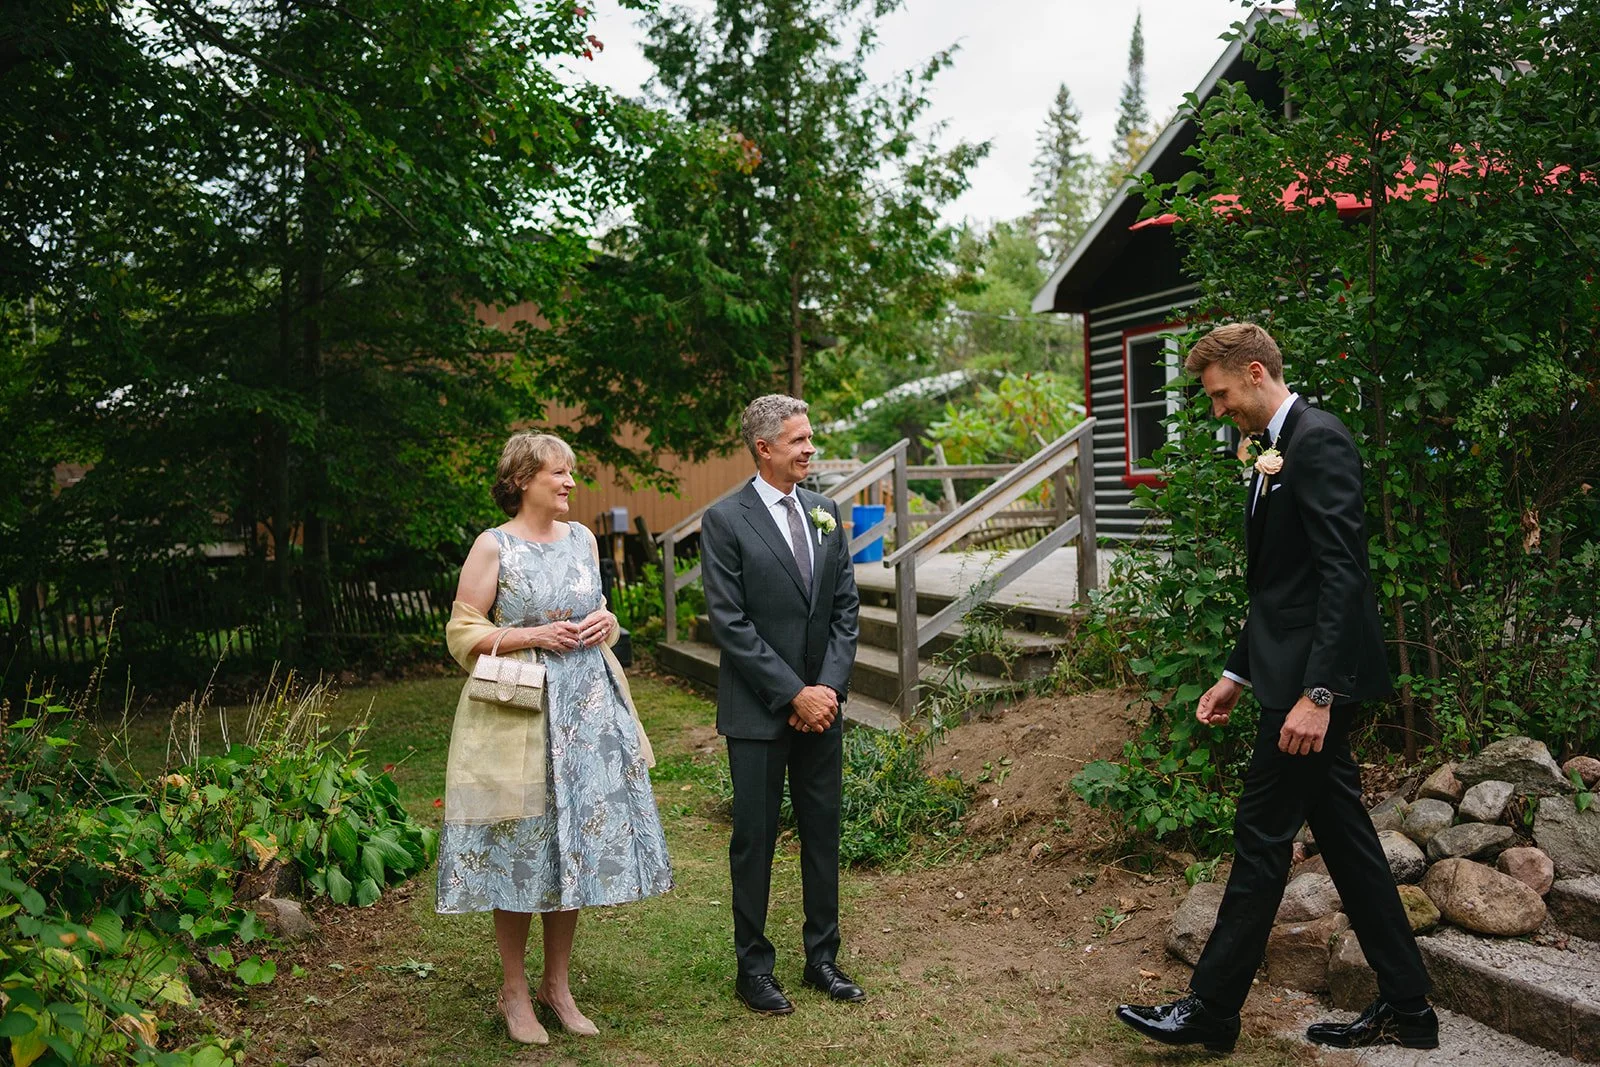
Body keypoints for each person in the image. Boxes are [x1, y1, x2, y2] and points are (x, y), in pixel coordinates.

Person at [1115, 323, 1436, 1054]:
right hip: (1286, 676)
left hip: (1310, 691)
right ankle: (1409, 1006)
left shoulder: (1318, 441)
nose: (1219, 409)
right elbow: (1279, 589)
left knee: (1261, 838)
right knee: (1348, 842)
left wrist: (1318, 695)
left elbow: (1342, 575)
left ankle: (1211, 1009)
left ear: (1256, 373)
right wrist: (1237, 673)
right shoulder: (1273, 450)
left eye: (1222, 394)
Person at [437, 431, 672, 1045]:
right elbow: (462, 633)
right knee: (521, 846)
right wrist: (532, 636)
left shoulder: (583, 539)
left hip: (587, 714)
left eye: (571, 472)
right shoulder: (494, 546)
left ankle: (557, 987)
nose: (571, 482)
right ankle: (514, 991)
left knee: (575, 846)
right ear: (523, 481)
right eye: (558, 473)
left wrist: (606, 621)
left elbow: (598, 613)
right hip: (520, 714)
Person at [700, 394, 864, 1015]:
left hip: (823, 709)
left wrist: (826, 690)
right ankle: (754, 969)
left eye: (810, 437)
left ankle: (823, 959)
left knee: (822, 833)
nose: (810, 449)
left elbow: (845, 607)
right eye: (799, 440)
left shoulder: (826, 511)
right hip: (758, 712)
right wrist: (794, 693)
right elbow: (730, 622)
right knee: (755, 840)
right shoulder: (725, 520)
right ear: (764, 448)